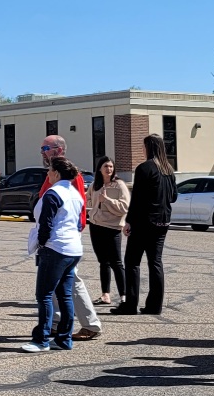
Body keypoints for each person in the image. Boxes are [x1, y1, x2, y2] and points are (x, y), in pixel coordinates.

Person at [36, 135, 101, 339]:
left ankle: (91, 324)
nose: (43, 152)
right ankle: (55, 323)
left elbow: (79, 205)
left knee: (71, 281)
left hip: (62, 239)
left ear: (59, 150)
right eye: (42, 147)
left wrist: (76, 228)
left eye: (46, 147)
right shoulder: (52, 174)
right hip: (55, 238)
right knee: (57, 283)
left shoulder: (69, 174)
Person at [22, 158, 86, 353]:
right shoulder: (75, 194)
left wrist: (41, 243)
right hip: (74, 247)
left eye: (49, 170)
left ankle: (41, 339)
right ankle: (64, 339)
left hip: (55, 247)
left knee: (44, 295)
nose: (47, 174)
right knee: (65, 295)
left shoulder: (53, 194)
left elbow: (45, 223)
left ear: (57, 173)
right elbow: (77, 221)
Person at [113, 134, 177, 316]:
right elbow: (173, 197)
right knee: (155, 262)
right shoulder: (168, 170)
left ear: (148, 147)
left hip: (144, 222)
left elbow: (138, 198)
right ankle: (154, 306)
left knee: (132, 262)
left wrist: (129, 221)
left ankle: (130, 304)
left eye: (143, 147)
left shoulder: (144, 168)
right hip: (163, 221)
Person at [87, 156, 130, 306]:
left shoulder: (119, 185)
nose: (109, 169)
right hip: (96, 226)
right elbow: (88, 201)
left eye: (111, 166)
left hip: (112, 228)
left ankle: (124, 296)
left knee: (116, 263)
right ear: (100, 168)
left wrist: (107, 201)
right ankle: (105, 295)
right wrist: (91, 213)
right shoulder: (95, 185)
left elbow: (124, 207)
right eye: (106, 166)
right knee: (103, 262)